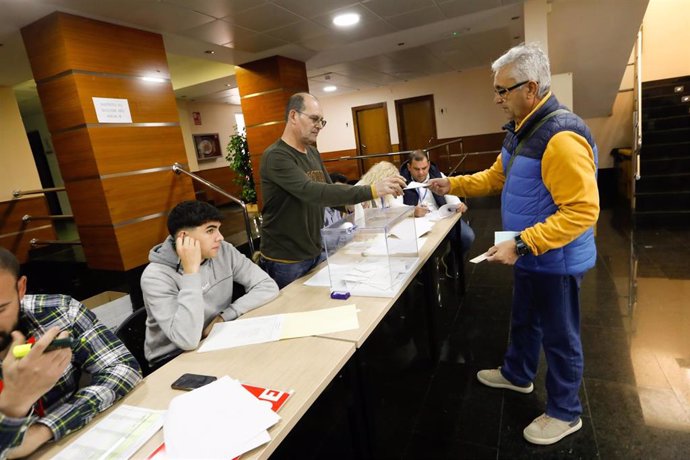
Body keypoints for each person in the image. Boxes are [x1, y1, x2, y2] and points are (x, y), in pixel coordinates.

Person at [429, 43, 599, 445]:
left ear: (531, 88)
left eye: (504, 90)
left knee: (560, 336)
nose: (497, 99)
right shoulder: (523, 130)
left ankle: (565, 412)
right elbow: (495, 177)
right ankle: (518, 374)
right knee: (524, 319)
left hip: (553, 258)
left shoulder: (560, 135)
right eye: (497, 90)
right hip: (530, 254)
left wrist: (522, 245)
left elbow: (580, 211)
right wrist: (451, 183)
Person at [0, 248, 141, 458]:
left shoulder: (59, 311)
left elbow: (123, 367)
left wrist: (44, 430)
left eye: (1, 309)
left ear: (21, 288)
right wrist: (13, 406)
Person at [259, 92, 406, 289]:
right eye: (314, 119)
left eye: (322, 121)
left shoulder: (312, 152)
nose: (319, 125)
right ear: (293, 116)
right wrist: (370, 190)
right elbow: (311, 191)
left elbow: (329, 190)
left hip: (314, 250)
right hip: (286, 260)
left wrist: (350, 205)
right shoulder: (276, 156)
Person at [141, 201, 279, 366]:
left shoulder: (224, 250)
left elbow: (267, 285)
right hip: (173, 358)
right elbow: (187, 340)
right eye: (210, 230)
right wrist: (191, 273)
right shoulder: (155, 277)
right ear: (184, 238)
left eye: (218, 229)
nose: (220, 237)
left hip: (214, 339)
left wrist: (225, 316)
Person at [400, 150, 475, 262]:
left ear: (429, 165)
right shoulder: (401, 181)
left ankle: (450, 261)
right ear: (409, 167)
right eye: (416, 169)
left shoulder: (438, 175)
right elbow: (395, 207)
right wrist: (412, 211)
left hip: (441, 217)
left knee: (467, 236)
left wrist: (457, 204)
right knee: (424, 248)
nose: (421, 173)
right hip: (416, 223)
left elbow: (450, 194)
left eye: (424, 168)